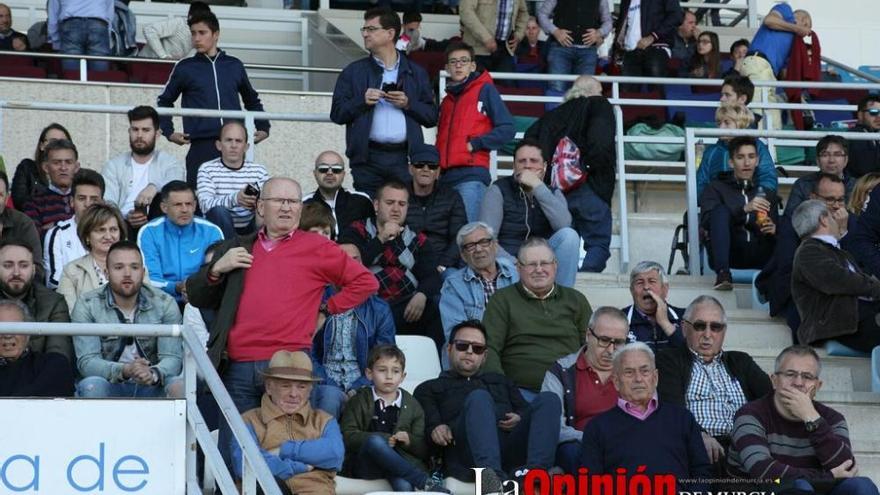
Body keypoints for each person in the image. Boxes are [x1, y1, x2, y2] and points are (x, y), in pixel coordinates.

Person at [186, 177, 377, 465]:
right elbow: (196, 294)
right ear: (261, 206)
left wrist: (327, 309)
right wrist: (217, 268)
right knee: (235, 453)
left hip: (289, 368)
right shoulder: (237, 247)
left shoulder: (317, 247)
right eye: (279, 200)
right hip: (238, 366)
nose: (287, 207)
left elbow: (365, 282)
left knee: (287, 450)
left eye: (293, 201)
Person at [414, 320, 561, 491]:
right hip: (466, 453)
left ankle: (535, 474)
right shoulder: (428, 388)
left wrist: (520, 417)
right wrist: (436, 428)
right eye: (462, 346)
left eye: (477, 348)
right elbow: (425, 430)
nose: (470, 352)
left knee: (549, 399)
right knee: (479, 398)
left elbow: (526, 410)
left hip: (510, 449)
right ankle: (491, 480)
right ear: (449, 349)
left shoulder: (502, 382)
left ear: (484, 356)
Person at [727, 345, 878, 494]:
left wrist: (811, 418)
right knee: (798, 487)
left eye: (807, 376)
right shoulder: (750, 414)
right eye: (790, 374)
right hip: (762, 490)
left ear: (818, 386)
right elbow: (765, 472)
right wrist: (828, 477)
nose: (798, 383)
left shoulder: (832, 419)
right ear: (774, 380)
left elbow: (846, 469)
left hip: (814, 489)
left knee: (862, 486)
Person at [330, 7, 437, 198]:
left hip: (405, 158)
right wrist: (361, 101)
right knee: (366, 215)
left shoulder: (416, 72)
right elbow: (337, 113)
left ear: (390, 34)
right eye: (364, 29)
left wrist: (408, 103)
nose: (365, 34)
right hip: (367, 157)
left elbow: (431, 116)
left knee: (400, 216)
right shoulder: (353, 71)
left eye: (371, 29)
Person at [656, 296, 772, 474]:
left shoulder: (741, 361)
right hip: (700, 447)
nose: (708, 334)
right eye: (700, 326)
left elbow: (771, 399)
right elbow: (672, 408)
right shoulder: (669, 360)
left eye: (715, 327)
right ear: (685, 328)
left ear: (724, 331)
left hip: (746, 447)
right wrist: (698, 434)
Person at [157, 10, 269, 191]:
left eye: (202, 33)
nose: (196, 39)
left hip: (234, 143)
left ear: (215, 34)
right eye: (193, 33)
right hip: (201, 144)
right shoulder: (185, 67)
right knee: (199, 199)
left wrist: (264, 127)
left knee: (239, 198)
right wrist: (169, 132)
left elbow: (251, 99)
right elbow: (164, 101)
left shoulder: (234, 65)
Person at [579, 342, 711, 491]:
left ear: (655, 378)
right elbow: (590, 484)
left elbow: (702, 472)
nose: (638, 379)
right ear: (616, 382)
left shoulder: (683, 419)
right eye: (629, 372)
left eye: (644, 371)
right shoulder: (597, 428)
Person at [525, 76, 616, 273]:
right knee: (597, 242)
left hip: (555, 191)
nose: (601, 95)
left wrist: (545, 178)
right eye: (600, 91)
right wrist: (590, 170)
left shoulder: (552, 116)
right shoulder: (599, 105)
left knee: (562, 240)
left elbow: (528, 142)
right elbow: (600, 142)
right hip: (590, 186)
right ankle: (587, 278)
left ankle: (564, 282)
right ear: (593, 91)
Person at [338, 181, 444, 350]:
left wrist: (422, 295)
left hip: (405, 307)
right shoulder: (356, 231)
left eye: (402, 204)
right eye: (390, 203)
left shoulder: (417, 239)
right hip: (367, 304)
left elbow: (431, 275)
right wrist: (381, 238)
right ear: (376, 205)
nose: (396, 209)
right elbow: (349, 266)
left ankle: (435, 370)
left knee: (434, 306)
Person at [482, 237, 592, 397]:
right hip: (520, 392)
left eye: (545, 263)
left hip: (570, 392)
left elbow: (592, 347)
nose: (539, 269)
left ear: (555, 265)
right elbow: (490, 348)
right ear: (518, 268)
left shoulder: (576, 300)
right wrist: (502, 393)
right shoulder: (502, 300)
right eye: (532, 264)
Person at [71, 241, 182, 398]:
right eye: (119, 267)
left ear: (143, 273)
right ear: (106, 273)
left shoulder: (165, 303)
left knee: (177, 384)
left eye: (134, 267)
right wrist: (125, 370)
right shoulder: (87, 304)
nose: (127, 273)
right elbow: (87, 362)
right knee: (93, 385)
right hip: (109, 382)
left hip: (151, 383)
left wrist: (153, 373)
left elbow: (172, 358)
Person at [230, 350, 344, 495]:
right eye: (285, 385)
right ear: (269, 387)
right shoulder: (248, 420)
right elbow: (246, 465)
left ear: (310, 390)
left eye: (301, 387)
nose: (294, 394)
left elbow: (335, 455)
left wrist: (283, 450)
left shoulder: (324, 420)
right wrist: (299, 467)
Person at [341, 345, 448, 493]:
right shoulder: (359, 400)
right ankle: (423, 481)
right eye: (382, 370)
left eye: (395, 371)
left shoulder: (412, 405)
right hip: (366, 466)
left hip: (400, 467)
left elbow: (424, 450)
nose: (389, 376)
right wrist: (383, 438)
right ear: (369, 373)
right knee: (375, 441)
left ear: (403, 376)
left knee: (404, 484)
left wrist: (409, 440)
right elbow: (347, 437)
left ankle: (419, 480)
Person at [311, 232, 396, 416]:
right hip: (323, 384)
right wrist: (329, 384)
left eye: (356, 260)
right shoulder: (315, 303)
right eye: (344, 261)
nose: (350, 266)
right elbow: (307, 351)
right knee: (330, 397)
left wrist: (359, 387)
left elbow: (385, 356)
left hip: (365, 384)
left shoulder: (379, 309)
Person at [757, 174, 849, 343]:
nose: (836, 206)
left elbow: (859, 267)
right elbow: (791, 267)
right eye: (829, 200)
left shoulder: (851, 225)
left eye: (840, 200)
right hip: (796, 290)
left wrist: (841, 234)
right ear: (812, 198)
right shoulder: (794, 222)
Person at [480, 139, 580, 285]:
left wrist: (538, 188)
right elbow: (487, 239)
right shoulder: (498, 190)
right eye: (522, 161)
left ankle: (562, 299)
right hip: (510, 260)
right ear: (514, 166)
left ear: (544, 166)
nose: (527, 165)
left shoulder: (553, 192)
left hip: (543, 257)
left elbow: (564, 224)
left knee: (570, 236)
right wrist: (517, 264)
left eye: (534, 161)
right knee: (501, 261)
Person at [540, 306, 628, 474]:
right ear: (588, 335)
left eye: (618, 343)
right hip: (578, 447)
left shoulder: (634, 374)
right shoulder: (561, 371)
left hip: (623, 447)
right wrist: (597, 441)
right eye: (604, 340)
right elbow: (551, 426)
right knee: (574, 453)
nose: (610, 350)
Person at [436, 42, 515, 222]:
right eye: (453, 61)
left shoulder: (485, 90)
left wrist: (476, 143)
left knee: (469, 237)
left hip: (472, 177)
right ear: (447, 67)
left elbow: (508, 128)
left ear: (472, 65)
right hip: (444, 179)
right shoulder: (447, 101)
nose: (458, 65)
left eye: (463, 61)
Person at [791, 199, 880, 353]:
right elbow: (842, 280)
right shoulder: (808, 250)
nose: (837, 220)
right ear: (823, 220)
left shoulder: (837, 251)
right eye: (832, 216)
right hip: (838, 326)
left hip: (858, 320)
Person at [700, 137, 780, 290]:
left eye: (751, 157)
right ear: (731, 162)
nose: (747, 163)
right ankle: (723, 274)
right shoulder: (715, 188)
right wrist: (743, 209)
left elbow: (777, 233)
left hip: (761, 253)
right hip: (730, 253)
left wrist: (774, 230)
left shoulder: (767, 193)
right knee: (720, 211)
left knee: (787, 222)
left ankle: (781, 276)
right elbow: (707, 221)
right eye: (740, 157)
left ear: (757, 161)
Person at [137, 181, 223, 305]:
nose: (184, 210)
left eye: (188, 204)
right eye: (178, 204)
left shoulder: (211, 231)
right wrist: (176, 287)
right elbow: (149, 280)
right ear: (164, 208)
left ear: (195, 206)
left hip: (202, 299)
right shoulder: (149, 232)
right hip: (160, 301)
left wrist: (194, 288)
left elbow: (217, 274)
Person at [439, 222, 518, 355]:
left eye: (484, 242)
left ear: (495, 245)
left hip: (515, 349)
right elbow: (457, 336)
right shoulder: (453, 285)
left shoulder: (516, 275)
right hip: (476, 353)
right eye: (470, 246)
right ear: (463, 255)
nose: (478, 249)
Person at [103, 106, 185, 233]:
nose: (139, 135)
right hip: (122, 225)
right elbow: (108, 202)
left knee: (164, 197)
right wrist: (125, 216)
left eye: (145, 130)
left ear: (157, 134)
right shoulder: (114, 165)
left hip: (158, 223)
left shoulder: (169, 162)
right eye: (135, 129)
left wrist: (153, 187)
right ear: (129, 131)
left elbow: (176, 184)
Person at [0, 238, 72, 364]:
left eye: (23, 265)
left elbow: (58, 358)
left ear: (33, 269)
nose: (16, 272)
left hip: (35, 378)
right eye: (8, 265)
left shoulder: (53, 302)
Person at [739, 5, 812, 128]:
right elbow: (769, 21)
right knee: (758, 114)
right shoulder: (785, 10)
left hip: (770, 74)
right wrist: (796, 28)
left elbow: (784, 74)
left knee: (774, 122)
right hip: (758, 62)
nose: (805, 33)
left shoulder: (792, 44)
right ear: (803, 20)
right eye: (807, 27)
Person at [197, 121, 270, 238]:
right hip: (221, 226)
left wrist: (255, 203)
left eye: (238, 141)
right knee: (219, 211)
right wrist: (236, 198)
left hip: (251, 227)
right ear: (219, 145)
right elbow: (205, 206)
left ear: (246, 147)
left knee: (265, 208)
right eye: (229, 140)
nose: (234, 145)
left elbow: (269, 202)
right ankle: (231, 249)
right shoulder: (207, 169)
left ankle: (263, 250)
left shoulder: (259, 170)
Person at [405, 145, 467, 272]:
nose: (425, 169)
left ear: (438, 172)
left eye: (432, 166)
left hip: (443, 263)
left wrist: (443, 265)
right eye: (419, 165)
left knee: (452, 280)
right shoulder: (399, 194)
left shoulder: (452, 197)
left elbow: (460, 236)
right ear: (411, 169)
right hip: (406, 262)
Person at [57, 204, 127, 314]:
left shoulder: (135, 267)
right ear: (87, 236)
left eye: (113, 229)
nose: (108, 236)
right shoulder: (71, 271)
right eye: (101, 230)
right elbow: (71, 314)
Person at [696, 103, 777, 198]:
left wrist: (757, 198)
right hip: (718, 206)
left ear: (740, 124)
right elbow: (700, 184)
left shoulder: (757, 146)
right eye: (719, 123)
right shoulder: (711, 151)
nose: (721, 127)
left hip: (752, 203)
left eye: (727, 123)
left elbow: (768, 178)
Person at [43, 169, 104, 289]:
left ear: (102, 202)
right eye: (82, 198)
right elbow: (53, 281)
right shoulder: (57, 234)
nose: (88, 204)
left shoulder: (113, 233)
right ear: (71, 202)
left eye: (94, 199)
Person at [0, 299, 74, 398]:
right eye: (2, 328)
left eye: (14, 327)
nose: (8, 335)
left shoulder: (53, 364)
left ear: (28, 333)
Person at [537, 0, 612, 92]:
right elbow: (542, 14)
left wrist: (599, 33)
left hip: (587, 52)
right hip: (560, 50)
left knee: (584, 93)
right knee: (556, 90)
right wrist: (555, 31)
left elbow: (608, 21)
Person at [302, 150, 374, 236]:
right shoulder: (304, 204)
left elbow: (372, 233)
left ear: (343, 174)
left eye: (336, 169)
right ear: (315, 174)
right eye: (323, 169)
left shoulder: (362, 201)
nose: (329, 173)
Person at [620, 261, 685, 351]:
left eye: (652, 281)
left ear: (665, 289)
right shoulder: (620, 319)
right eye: (640, 282)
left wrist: (665, 323)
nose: (646, 287)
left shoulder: (685, 317)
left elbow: (694, 356)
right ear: (631, 291)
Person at [613, 0, 683, 82]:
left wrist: (653, 36)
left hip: (656, 47)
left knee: (655, 89)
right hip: (630, 51)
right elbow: (622, 24)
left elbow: (676, 16)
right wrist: (617, 48)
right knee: (627, 92)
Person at [785, 135, 856, 216]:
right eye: (825, 155)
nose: (831, 160)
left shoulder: (856, 186)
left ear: (846, 160)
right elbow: (790, 220)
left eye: (837, 155)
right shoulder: (803, 184)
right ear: (817, 161)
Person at [22, 139, 79, 235]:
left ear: (76, 167)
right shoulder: (34, 203)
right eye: (57, 162)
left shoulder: (86, 198)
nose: (63, 168)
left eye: (68, 162)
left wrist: (55, 226)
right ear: (45, 167)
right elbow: (33, 238)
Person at [11, 123, 72, 211]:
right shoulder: (27, 167)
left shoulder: (77, 173)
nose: (57, 146)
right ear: (41, 146)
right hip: (33, 220)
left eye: (62, 142)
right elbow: (19, 201)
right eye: (53, 141)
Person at [459, 0, 528, 74]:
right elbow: (466, 12)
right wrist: (485, 38)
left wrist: (518, 35)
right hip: (477, 49)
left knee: (507, 84)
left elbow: (523, 13)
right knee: (477, 83)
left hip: (505, 48)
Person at [47, 0, 113, 72]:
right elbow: (109, 12)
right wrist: (108, 36)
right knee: (99, 76)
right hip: (98, 24)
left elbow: (53, 14)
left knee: (72, 76)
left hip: (71, 25)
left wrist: (55, 40)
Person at [0, 171, 43, 279]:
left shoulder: (22, 223)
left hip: (15, 291)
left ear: (6, 198)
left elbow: (37, 270)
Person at [138, 1, 212, 60]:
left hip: (164, 68)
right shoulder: (179, 23)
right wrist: (163, 56)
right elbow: (149, 30)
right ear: (190, 16)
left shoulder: (198, 35)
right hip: (146, 63)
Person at [845, 95, 880, 179]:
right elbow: (864, 169)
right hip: (861, 187)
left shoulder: (875, 135)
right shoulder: (855, 136)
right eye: (874, 112)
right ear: (860, 115)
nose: (879, 117)